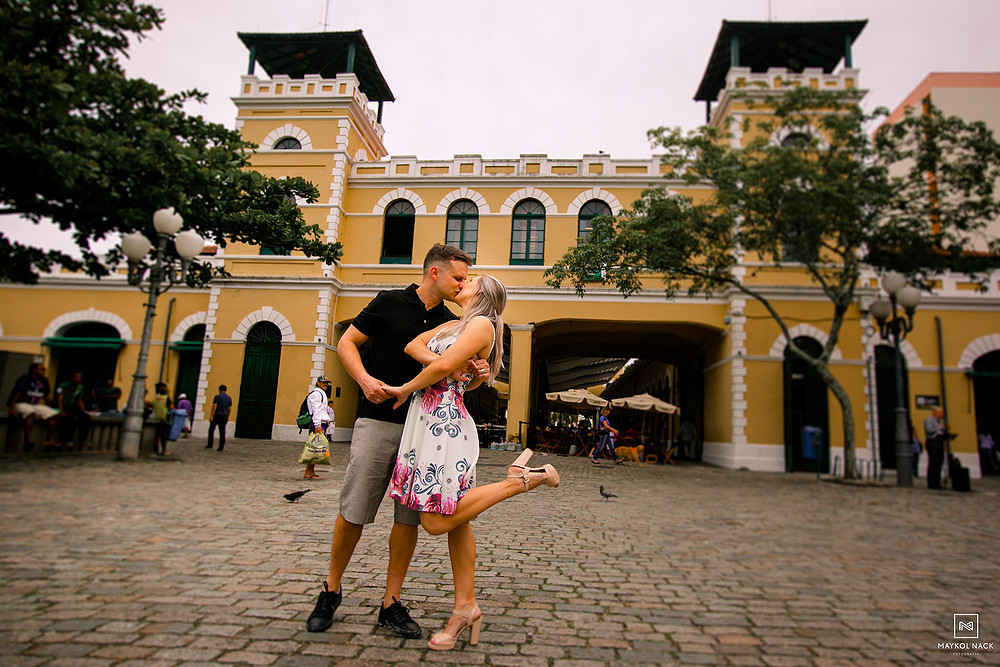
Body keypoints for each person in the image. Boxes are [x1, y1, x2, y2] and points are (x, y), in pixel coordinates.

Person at [306, 244, 486, 639]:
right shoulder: (388, 302)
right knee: (354, 508)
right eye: (458, 277)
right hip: (377, 421)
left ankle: (391, 602)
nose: (462, 284)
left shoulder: (452, 321)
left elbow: (457, 376)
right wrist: (364, 380)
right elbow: (347, 343)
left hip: (424, 433)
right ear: (434, 273)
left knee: (407, 521)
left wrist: (477, 372)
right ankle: (330, 590)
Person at [384, 274, 560, 651]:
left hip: (443, 424)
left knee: (433, 521)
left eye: (473, 279)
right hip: (427, 419)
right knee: (457, 522)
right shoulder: (454, 323)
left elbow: (442, 367)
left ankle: (520, 480)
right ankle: (465, 608)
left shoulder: (482, 324)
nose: (464, 280)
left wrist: (408, 387)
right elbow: (413, 346)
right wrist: (451, 365)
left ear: (484, 293)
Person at [7, 362, 59, 451]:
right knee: (31, 413)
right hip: (22, 403)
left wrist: (50, 408)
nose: (44, 371)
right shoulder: (25, 379)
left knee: (54, 414)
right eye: (41, 369)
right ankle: (28, 440)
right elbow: (17, 393)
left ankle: (49, 440)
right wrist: (11, 408)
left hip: (35, 404)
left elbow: (46, 396)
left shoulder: (44, 380)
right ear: (34, 370)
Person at [303, 377, 333, 480]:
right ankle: (309, 472)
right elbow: (316, 410)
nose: (326, 385)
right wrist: (317, 425)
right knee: (315, 448)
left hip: (321, 423)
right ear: (318, 383)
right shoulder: (316, 394)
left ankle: (310, 471)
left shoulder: (321, 394)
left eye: (327, 383)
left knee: (316, 449)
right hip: (318, 424)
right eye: (323, 383)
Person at [55, 371, 89, 450]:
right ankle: (67, 440)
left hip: (73, 406)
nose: (79, 379)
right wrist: (61, 410)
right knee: (70, 419)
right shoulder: (63, 386)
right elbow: (59, 398)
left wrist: (83, 411)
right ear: (72, 378)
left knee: (86, 418)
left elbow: (79, 400)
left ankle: (83, 439)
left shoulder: (80, 387)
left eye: (80, 378)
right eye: (77, 377)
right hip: (65, 406)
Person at [923, 406, 947, 489]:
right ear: (936, 412)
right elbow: (929, 430)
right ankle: (932, 483)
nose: (942, 414)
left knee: (939, 463)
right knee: (933, 462)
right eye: (941, 412)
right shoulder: (929, 420)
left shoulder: (938, 421)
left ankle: (937, 482)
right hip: (932, 443)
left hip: (939, 442)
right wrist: (939, 428)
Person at [206, 384, 232, 452]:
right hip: (224, 416)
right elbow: (230, 408)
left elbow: (214, 405)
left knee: (211, 429)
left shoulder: (217, 397)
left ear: (219, 390)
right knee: (222, 431)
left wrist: (211, 415)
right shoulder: (229, 398)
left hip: (217, 415)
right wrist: (228, 416)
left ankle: (210, 444)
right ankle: (221, 446)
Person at [151, 382, 172, 455]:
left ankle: (155, 448)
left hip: (156, 418)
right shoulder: (166, 398)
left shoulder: (155, 398)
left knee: (157, 434)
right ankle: (164, 450)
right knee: (164, 435)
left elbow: (152, 406)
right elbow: (171, 407)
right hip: (164, 418)